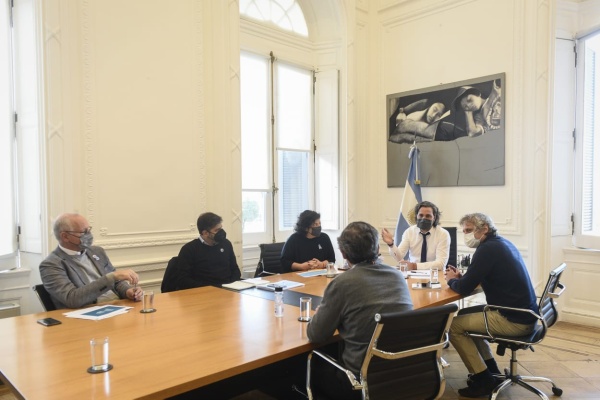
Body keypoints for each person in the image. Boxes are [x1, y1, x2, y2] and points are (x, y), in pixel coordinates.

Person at [307, 221, 413, 400]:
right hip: (403, 373)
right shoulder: (398, 276)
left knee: (307, 367)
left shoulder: (342, 283)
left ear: (343, 253)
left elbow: (315, 334)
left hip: (358, 382)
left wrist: (320, 314)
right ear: (377, 248)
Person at [444, 212, 539, 398]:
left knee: (454, 326)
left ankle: (483, 380)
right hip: (525, 314)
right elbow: (476, 278)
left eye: (469, 230)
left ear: (484, 229)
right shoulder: (501, 243)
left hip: (512, 319)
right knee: (464, 316)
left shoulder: (487, 249)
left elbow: (464, 288)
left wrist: (451, 280)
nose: (466, 235)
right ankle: (492, 371)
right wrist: (462, 278)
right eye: (464, 231)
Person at [40, 213, 142, 309]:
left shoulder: (97, 251)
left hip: (117, 306)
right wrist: (111, 277)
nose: (89, 235)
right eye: (84, 232)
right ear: (65, 236)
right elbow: (72, 299)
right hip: (87, 314)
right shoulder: (51, 265)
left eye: (89, 230)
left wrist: (128, 291)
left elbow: (116, 282)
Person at [176, 212, 241, 289]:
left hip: (228, 289)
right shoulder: (189, 249)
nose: (221, 232)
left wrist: (230, 285)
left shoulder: (226, 244)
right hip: (204, 291)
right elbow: (183, 280)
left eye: (221, 228)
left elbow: (235, 270)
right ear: (205, 233)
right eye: (217, 230)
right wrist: (211, 288)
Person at [381, 201, 450, 270]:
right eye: (421, 215)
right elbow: (399, 257)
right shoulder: (409, 232)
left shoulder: (443, 234)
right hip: (413, 272)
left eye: (428, 216)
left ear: (434, 218)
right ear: (416, 216)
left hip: (435, 273)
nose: (423, 218)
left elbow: (440, 264)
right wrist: (391, 244)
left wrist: (415, 266)